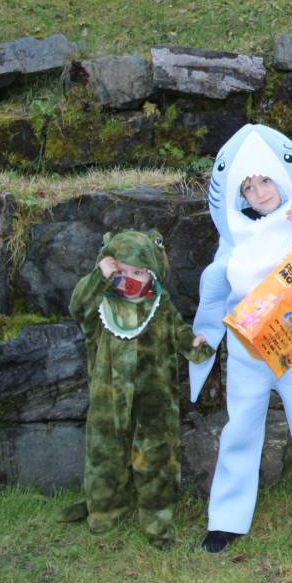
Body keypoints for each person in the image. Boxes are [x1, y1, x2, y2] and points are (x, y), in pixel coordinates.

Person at [189, 124, 292, 553]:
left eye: (265, 180)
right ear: (238, 196)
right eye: (248, 186)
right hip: (246, 349)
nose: (260, 192)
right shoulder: (235, 237)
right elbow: (216, 290)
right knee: (240, 428)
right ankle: (225, 520)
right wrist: (202, 341)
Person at [60, 230, 214, 548]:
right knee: (105, 454)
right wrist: (98, 276)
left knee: (157, 456)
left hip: (155, 399)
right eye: (122, 271)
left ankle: (157, 519)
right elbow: (78, 306)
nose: (129, 279)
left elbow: (181, 333)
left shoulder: (161, 307)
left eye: (138, 272)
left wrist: (197, 346)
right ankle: (104, 512)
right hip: (108, 399)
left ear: (152, 274)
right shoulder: (100, 307)